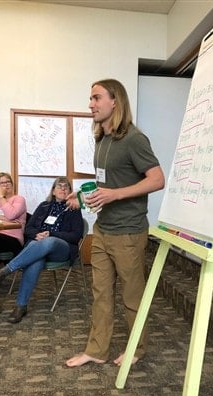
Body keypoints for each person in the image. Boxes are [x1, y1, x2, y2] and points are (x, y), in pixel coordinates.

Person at [65, 78, 165, 368]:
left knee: (132, 297)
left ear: (115, 101)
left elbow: (157, 179)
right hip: (103, 230)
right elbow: (108, 183)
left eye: (96, 98)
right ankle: (97, 350)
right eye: (90, 98)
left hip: (129, 233)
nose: (90, 104)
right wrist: (83, 196)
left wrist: (115, 195)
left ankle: (136, 349)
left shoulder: (134, 139)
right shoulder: (102, 140)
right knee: (100, 295)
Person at [0, 176, 84, 324]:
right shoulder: (44, 206)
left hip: (61, 248)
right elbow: (29, 229)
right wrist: (36, 234)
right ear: (53, 190)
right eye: (59, 186)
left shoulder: (73, 208)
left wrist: (51, 234)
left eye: (66, 187)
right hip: (39, 248)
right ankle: (21, 306)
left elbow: (76, 236)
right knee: (36, 258)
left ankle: (7, 270)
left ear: (70, 191)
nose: (63, 189)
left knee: (48, 241)